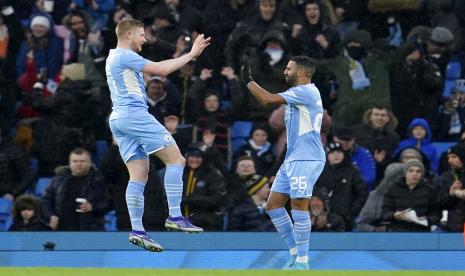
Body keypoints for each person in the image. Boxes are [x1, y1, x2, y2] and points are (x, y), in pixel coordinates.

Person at [105, 19, 210, 252]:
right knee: (177, 160)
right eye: (141, 35)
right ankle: (175, 216)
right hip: (135, 115)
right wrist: (191, 54)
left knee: (138, 175)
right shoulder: (124, 55)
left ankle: (137, 230)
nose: (144, 39)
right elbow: (161, 70)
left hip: (118, 119)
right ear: (129, 34)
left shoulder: (113, 57)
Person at [240, 55, 326, 270]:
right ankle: (295, 254)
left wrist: (248, 80)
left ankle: (303, 261)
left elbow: (267, 99)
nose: (285, 72)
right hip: (293, 158)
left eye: (289, 68)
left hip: (307, 157)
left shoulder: (305, 91)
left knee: (298, 204)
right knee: (273, 205)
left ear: (303, 73)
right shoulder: (297, 95)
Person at [41, 148, 110, 231]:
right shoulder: (58, 180)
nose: (79, 164)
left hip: (91, 228)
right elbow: (47, 201)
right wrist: (50, 215)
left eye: (82, 161)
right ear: (69, 163)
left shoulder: (100, 180)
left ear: (90, 163)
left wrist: (93, 207)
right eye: (75, 161)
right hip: (63, 228)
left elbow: (109, 201)